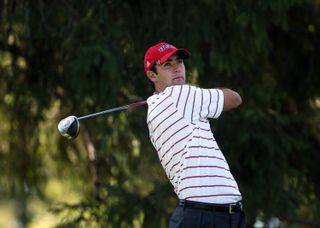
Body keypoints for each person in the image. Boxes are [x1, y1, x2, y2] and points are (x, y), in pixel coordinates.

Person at [144, 42, 246, 228]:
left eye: (179, 62)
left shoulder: (154, 110)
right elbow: (235, 98)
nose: (177, 69)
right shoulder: (178, 95)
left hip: (214, 215)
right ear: (152, 75)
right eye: (167, 64)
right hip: (205, 216)